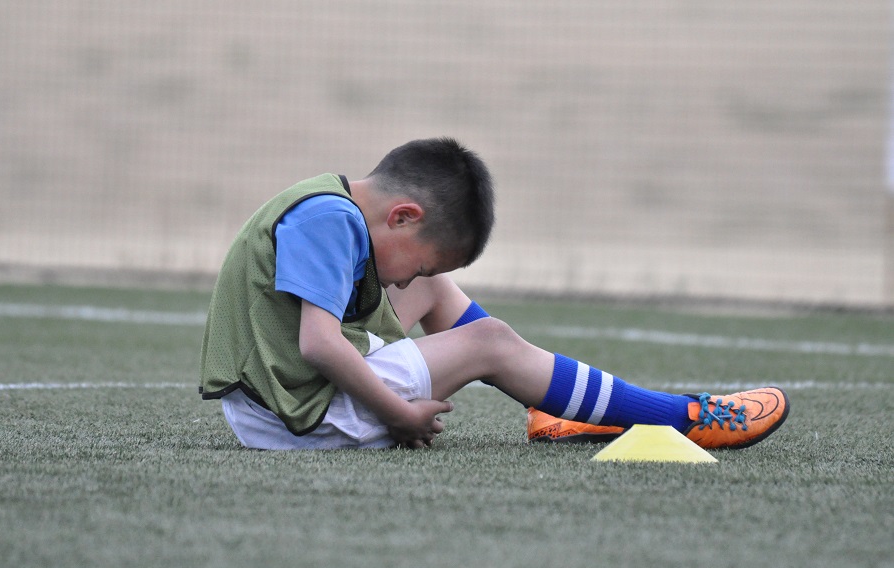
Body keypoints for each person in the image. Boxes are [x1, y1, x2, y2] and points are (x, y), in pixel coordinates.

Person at [199, 137, 789, 450]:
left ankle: (546, 406)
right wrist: (398, 415)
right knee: (491, 342)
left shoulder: (329, 201)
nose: (402, 280)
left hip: (283, 403)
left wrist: (422, 273)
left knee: (433, 289)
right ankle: (686, 417)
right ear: (404, 216)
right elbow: (319, 344)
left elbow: (328, 329)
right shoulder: (330, 220)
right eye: (418, 258)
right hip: (299, 417)